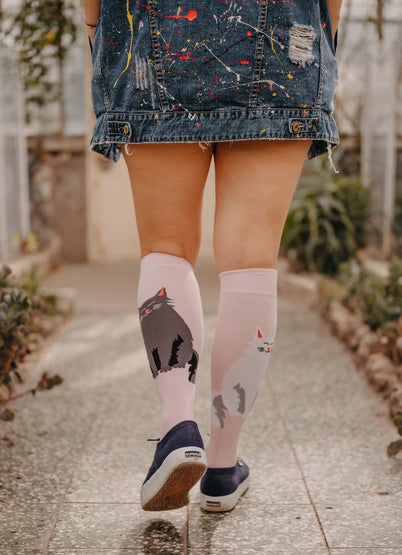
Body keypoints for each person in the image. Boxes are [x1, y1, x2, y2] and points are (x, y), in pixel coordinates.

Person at [82, 0, 342, 513]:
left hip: (152, 34)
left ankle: (178, 428)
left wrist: (98, 31)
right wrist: (325, 32)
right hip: (284, 37)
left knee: (167, 249)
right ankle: (223, 467)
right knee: (251, 261)